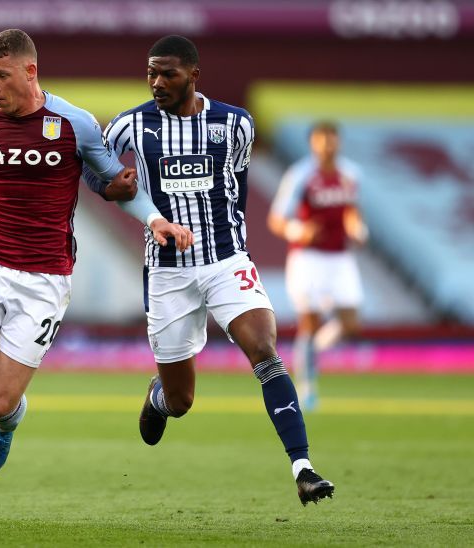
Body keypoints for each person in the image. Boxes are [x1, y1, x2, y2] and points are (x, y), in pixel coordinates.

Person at [0, 29, 193, 526]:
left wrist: (154, 218)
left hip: (44, 280)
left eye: (2, 75)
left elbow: (111, 183)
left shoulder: (73, 123)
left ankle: (7, 424)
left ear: (30, 72)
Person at [85, 35, 335, 506]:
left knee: (264, 350)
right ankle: (158, 397)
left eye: (169, 74)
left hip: (226, 260)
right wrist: (108, 188)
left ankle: (302, 467)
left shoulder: (236, 124)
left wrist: (229, 241)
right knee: (181, 402)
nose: (157, 83)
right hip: (167, 273)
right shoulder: (131, 124)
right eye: (151, 73)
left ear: (194, 75)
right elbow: (94, 169)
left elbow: (235, 185)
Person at [268, 121, 367, 410]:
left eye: (332, 140)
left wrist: (357, 229)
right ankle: (307, 386)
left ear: (339, 142)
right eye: (322, 141)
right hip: (307, 258)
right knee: (309, 323)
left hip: (340, 257)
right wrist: (297, 231)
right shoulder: (301, 175)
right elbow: (277, 219)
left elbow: (352, 211)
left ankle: (308, 355)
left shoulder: (350, 175)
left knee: (350, 324)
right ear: (313, 144)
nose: (328, 146)